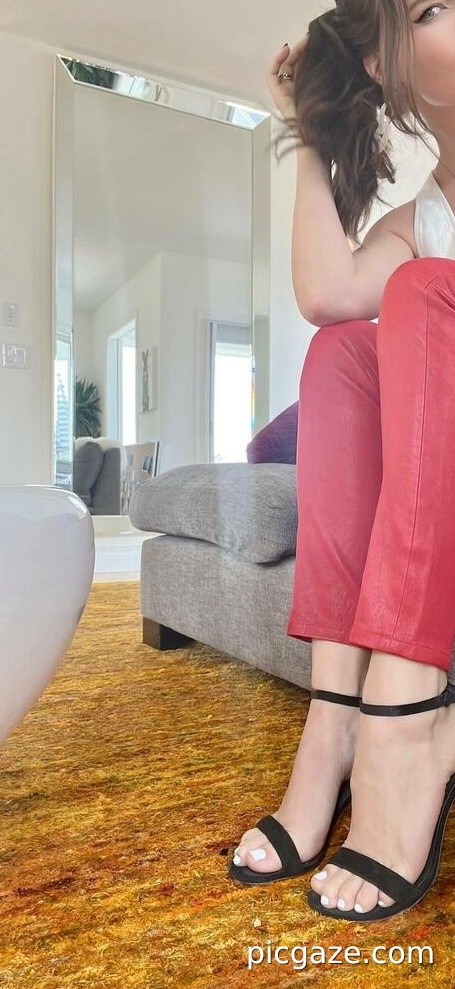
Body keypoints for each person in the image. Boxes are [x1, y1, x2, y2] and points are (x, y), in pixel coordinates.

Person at [228, 0, 455, 922]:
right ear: (381, 65)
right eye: (434, 8)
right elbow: (326, 294)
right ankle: (335, 713)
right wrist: (302, 131)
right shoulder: (424, 217)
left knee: (423, 290)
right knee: (340, 353)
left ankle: (409, 708)